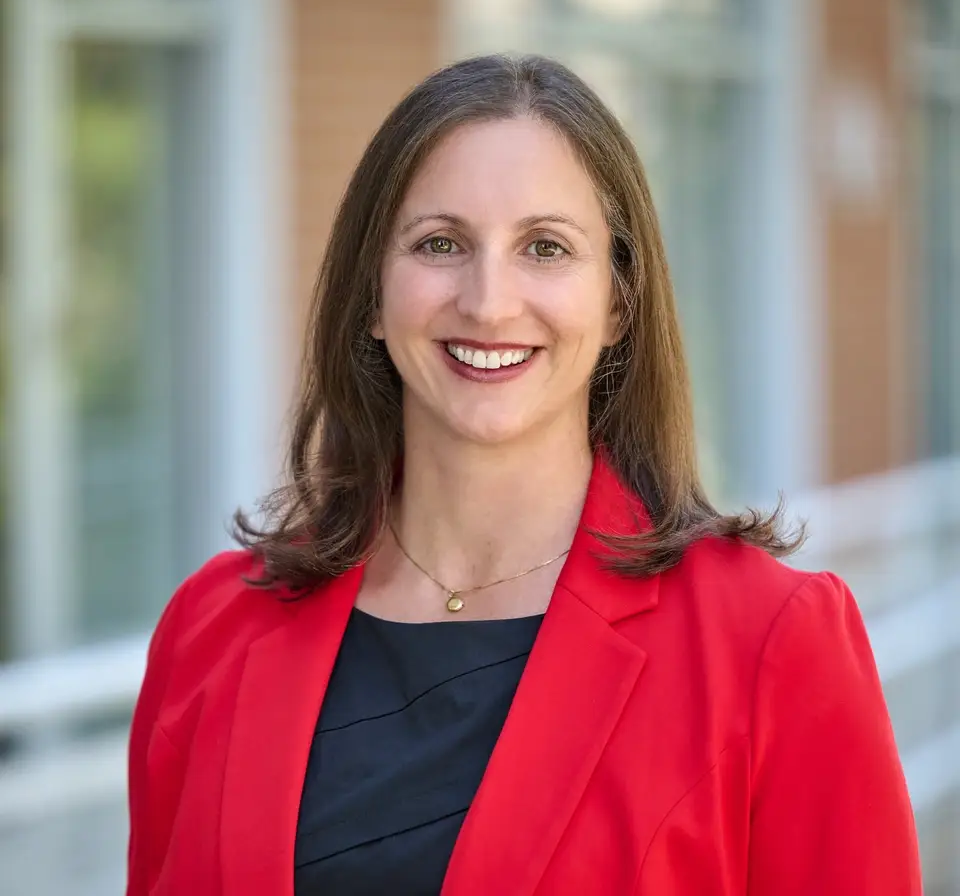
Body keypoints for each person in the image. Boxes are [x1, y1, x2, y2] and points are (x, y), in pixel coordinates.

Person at [126, 54, 922, 896]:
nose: (489, 302)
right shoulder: (208, 632)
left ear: (618, 304)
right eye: (440, 243)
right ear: (371, 293)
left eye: (546, 248)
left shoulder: (768, 643)